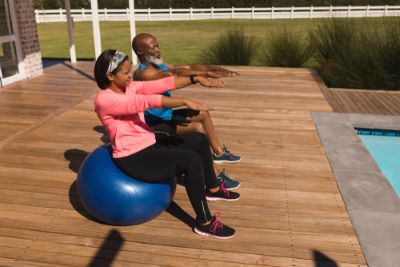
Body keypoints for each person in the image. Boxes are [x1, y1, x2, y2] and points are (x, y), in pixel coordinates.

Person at [93, 49, 239, 239]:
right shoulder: (104, 100)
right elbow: (144, 102)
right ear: (110, 76)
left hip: (149, 145)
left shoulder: (127, 87)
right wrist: (184, 101)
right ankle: (204, 222)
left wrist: (195, 78)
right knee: (191, 161)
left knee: (199, 140)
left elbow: (161, 84)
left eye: (131, 71)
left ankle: (213, 188)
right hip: (133, 158)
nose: (130, 76)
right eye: (126, 73)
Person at [131, 33, 241, 166]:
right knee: (198, 129)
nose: (158, 50)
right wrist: (204, 75)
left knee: (203, 114)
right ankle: (213, 176)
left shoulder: (159, 65)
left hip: (167, 116)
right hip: (153, 124)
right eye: (153, 48)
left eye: (157, 46)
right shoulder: (142, 74)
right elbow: (172, 75)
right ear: (140, 51)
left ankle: (219, 153)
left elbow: (183, 68)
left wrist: (215, 69)